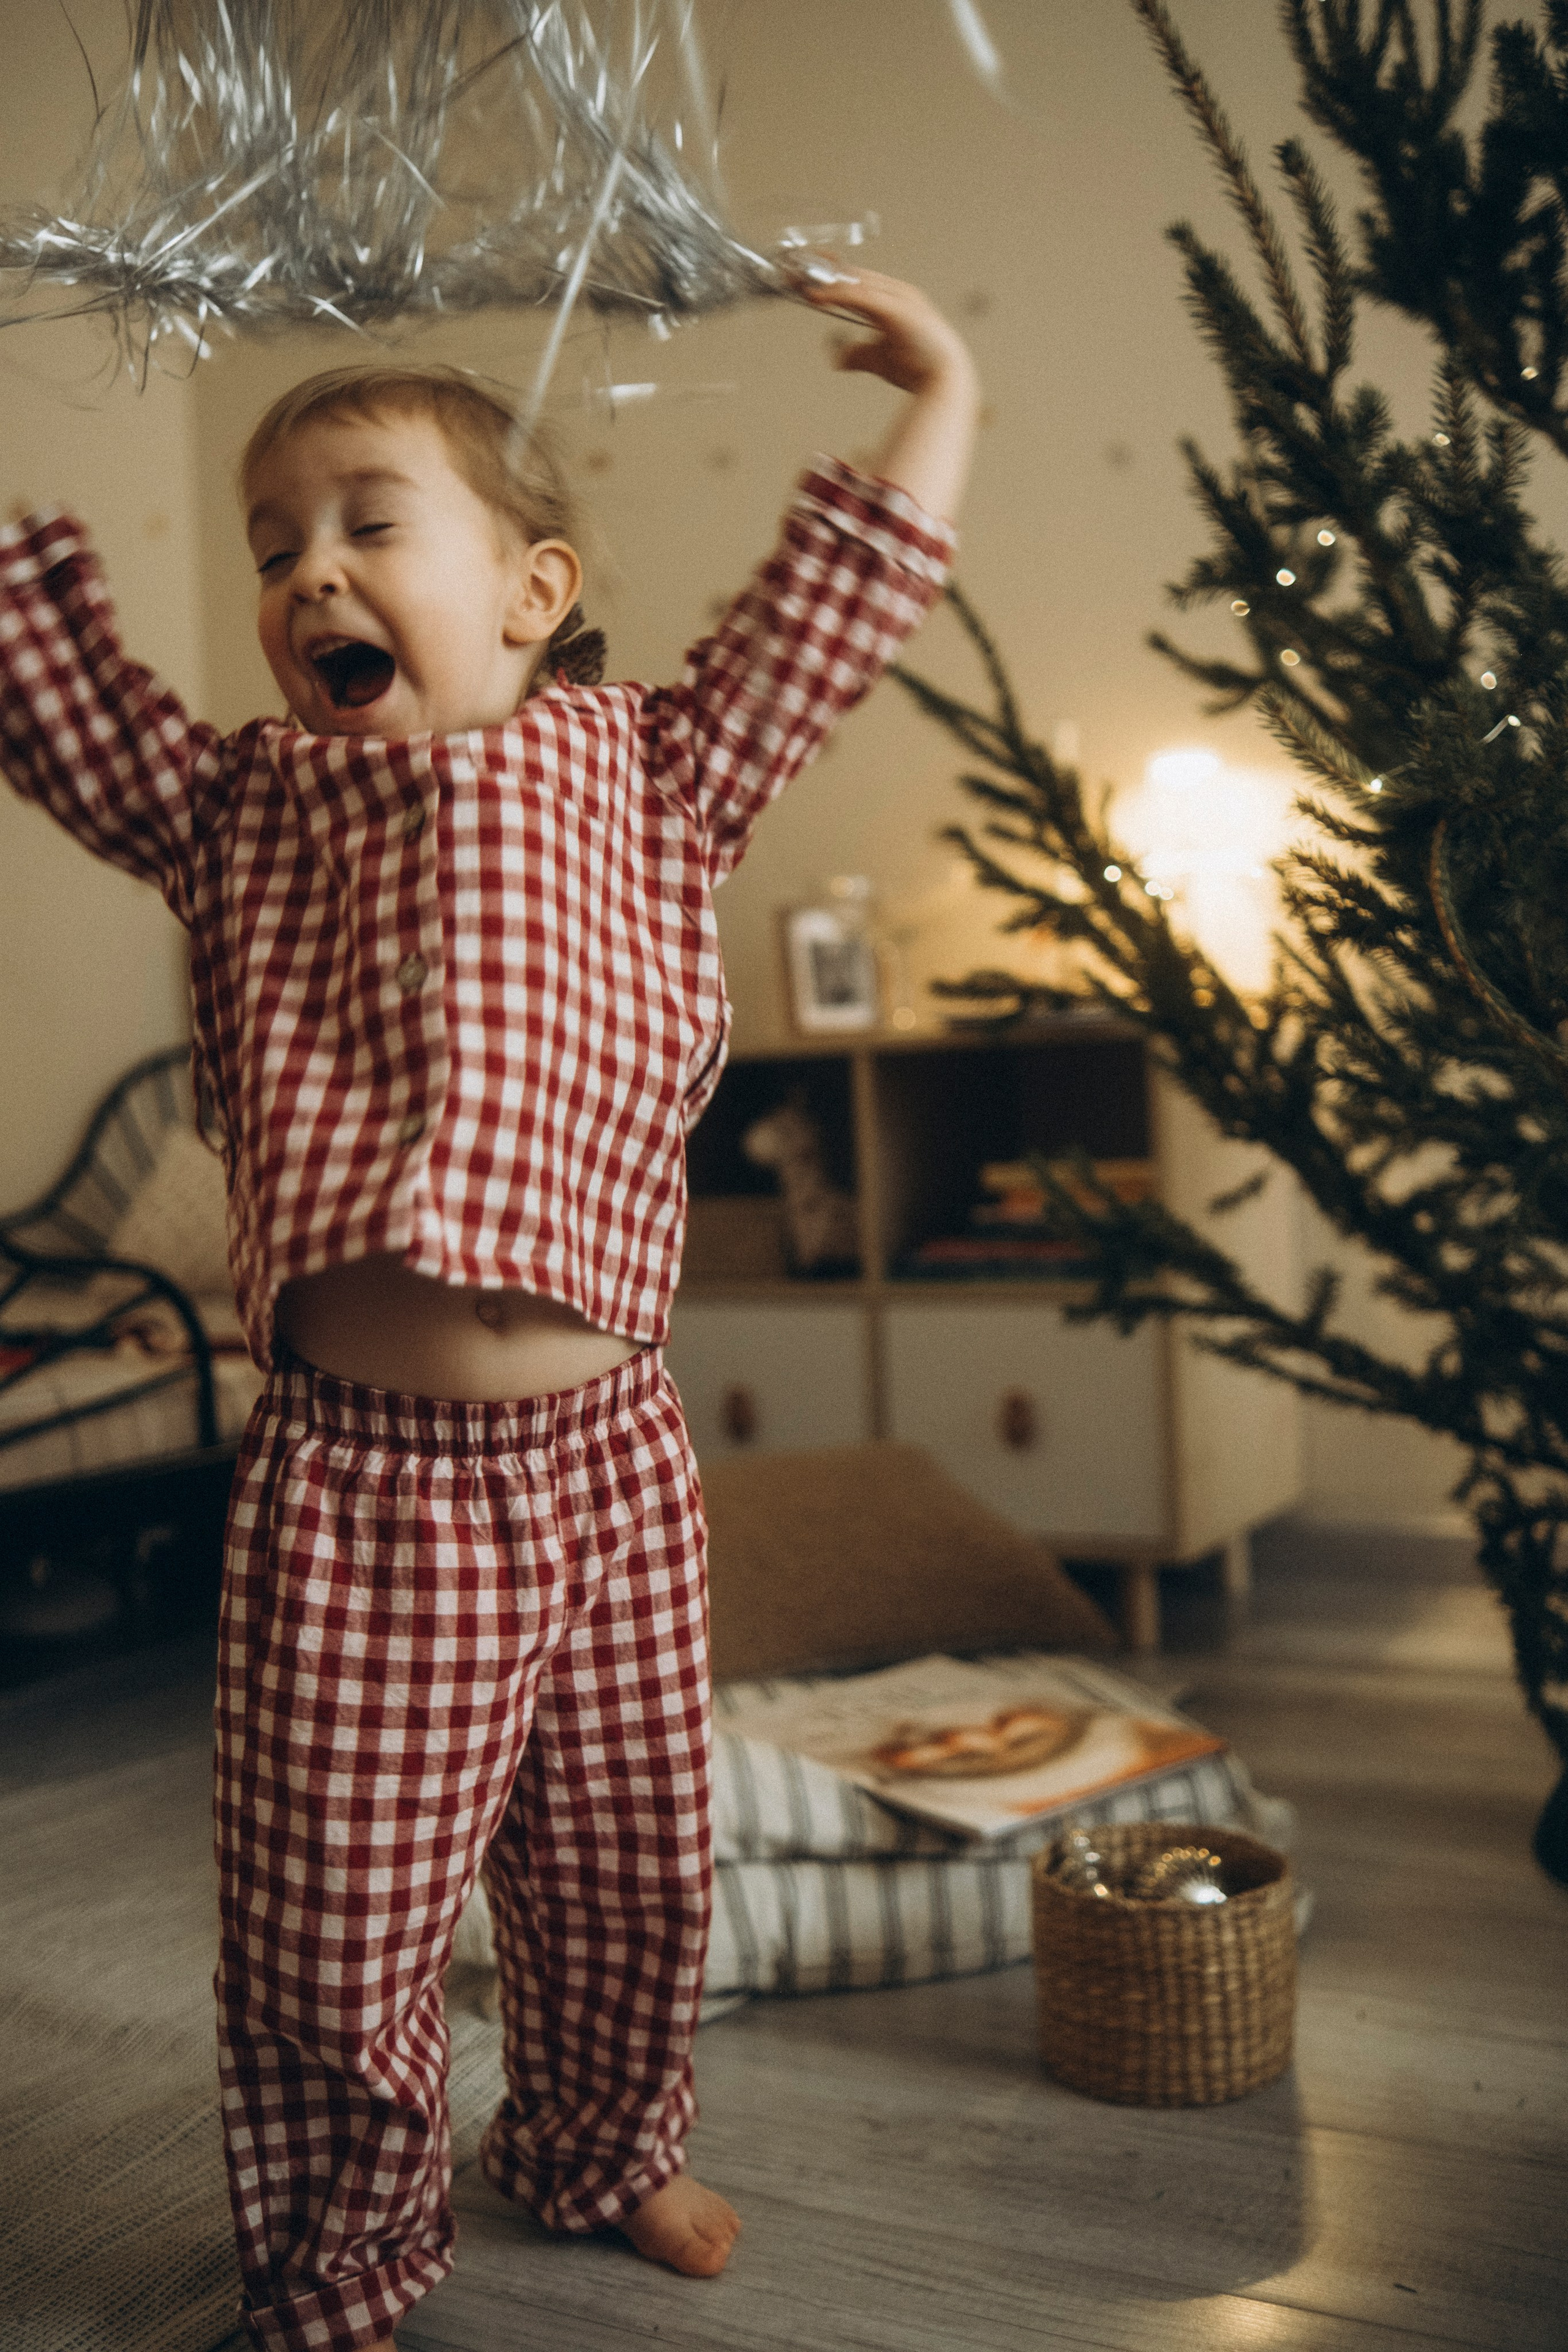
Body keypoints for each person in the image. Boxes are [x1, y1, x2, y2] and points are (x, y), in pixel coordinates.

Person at [0, 265, 977, 2352]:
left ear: (535, 591)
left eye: (370, 522)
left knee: (630, 1866)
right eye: (275, 546)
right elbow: (44, 685)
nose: (309, 575)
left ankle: (603, 2144)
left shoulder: (657, 772)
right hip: (368, 1492)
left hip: (611, 1461)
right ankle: (341, 2258)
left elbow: (840, 608)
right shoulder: (238, 809)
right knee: (334, 1921)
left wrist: (943, 390)